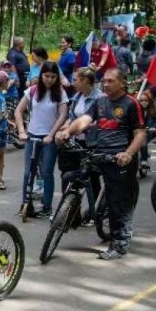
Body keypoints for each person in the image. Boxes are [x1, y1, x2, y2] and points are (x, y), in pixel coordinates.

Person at [56, 69, 146, 260]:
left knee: (117, 203)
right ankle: (73, 214)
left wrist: (128, 154)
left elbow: (140, 133)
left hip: (120, 159)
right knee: (70, 176)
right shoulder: (100, 101)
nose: (106, 85)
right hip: (98, 153)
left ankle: (119, 244)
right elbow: (84, 120)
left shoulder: (131, 104)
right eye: (104, 81)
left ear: (122, 83)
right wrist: (68, 132)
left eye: (111, 81)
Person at [15, 61, 69, 219]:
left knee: (46, 172)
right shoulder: (32, 91)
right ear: (41, 75)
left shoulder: (60, 93)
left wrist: (52, 134)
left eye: (53, 76)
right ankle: (25, 203)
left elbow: (63, 115)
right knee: (28, 171)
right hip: (32, 135)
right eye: (46, 76)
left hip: (49, 138)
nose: (49, 79)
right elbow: (19, 111)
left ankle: (47, 206)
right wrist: (21, 131)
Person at [65, 67, 103, 225]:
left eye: (76, 80)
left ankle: (94, 210)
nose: (73, 82)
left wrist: (85, 127)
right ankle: (73, 214)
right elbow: (71, 117)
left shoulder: (99, 98)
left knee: (93, 177)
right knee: (70, 175)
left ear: (85, 80)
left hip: (92, 142)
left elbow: (101, 121)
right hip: (76, 141)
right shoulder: (76, 97)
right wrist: (64, 130)